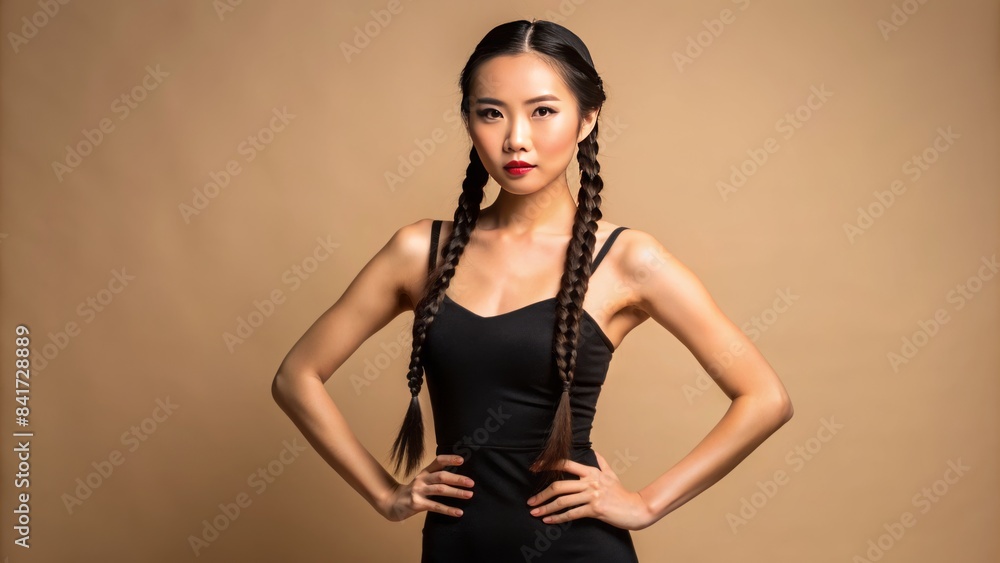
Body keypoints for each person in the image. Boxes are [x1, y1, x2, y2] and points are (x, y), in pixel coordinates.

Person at [271, 19, 793, 562]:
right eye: (490, 112)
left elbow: (765, 398)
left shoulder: (628, 260)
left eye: (542, 111)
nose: (515, 137)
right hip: (456, 547)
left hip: (580, 550)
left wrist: (646, 504)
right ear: (469, 122)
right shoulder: (417, 252)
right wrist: (385, 495)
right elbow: (296, 376)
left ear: (587, 118)